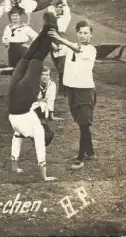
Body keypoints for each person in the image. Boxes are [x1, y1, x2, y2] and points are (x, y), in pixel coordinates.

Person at [7, 12, 58, 182]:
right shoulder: (21, 131)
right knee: (29, 56)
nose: (45, 125)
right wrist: (14, 167)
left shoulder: (37, 129)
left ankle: (49, 30)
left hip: (23, 96)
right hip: (12, 98)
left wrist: (45, 177)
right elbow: (16, 143)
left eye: (46, 129)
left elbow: (40, 152)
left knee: (36, 58)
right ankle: (46, 29)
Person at [49, 20, 97, 170]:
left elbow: (76, 48)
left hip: (85, 91)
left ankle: (80, 158)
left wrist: (59, 36)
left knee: (83, 124)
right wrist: (48, 38)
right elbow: (56, 49)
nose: (83, 36)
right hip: (73, 91)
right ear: (76, 33)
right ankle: (90, 152)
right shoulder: (68, 48)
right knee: (82, 124)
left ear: (90, 35)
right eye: (80, 32)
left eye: (86, 33)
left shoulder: (91, 50)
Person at [49, 0, 71, 97]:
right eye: (58, 6)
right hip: (52, 42)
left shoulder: (65, 17)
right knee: (58, 67)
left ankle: (64, 90)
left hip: (62, 41)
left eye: (62, 6)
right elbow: (49, 0)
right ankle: (63, 89)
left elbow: (65, 2)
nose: (60, 8)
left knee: (63, 67)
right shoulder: (51, 17)